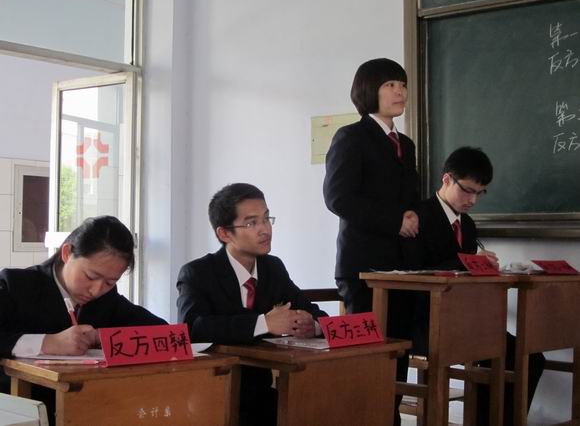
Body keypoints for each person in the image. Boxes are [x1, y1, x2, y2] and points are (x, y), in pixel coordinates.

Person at [402, 146, 545, 426]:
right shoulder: (418, 215)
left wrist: (485, 268)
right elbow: (413, 270)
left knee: (529, 358)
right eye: (467, 190)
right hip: (424, 318)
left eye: (480, 193)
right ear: (446, 179)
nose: (472, 200)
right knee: (499, 353)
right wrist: (466, 262)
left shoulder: (467, 226)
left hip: (462, 318)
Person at [177, 183, 327, 426]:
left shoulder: (273, 268)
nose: (264, 229)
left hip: (260, 394)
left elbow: (315, 312)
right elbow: (193, 328)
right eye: (251, 223)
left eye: (266, 219)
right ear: (224, 234)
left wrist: (313, 326)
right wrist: (263, 323)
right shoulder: (198, 272)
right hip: (210, 393)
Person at [323, 57, 420, 425]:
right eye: (389, 85)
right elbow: (338, 198)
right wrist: (395, 221)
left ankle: (390, 418)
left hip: (402, 268)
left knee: (397, 354)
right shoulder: (351, 137)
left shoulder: (405, 144)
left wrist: (413, 215)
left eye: (402, 84)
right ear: (368, 91)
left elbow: (408, 197)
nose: (400, 92)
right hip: (363, 268)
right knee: (368, 357)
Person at [0, 215, 167, 424]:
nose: (96, 290)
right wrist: (47, 342)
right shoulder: (16, 285)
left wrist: (100, 337)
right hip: (20, 412)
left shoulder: (107, 300)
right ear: (67, 253)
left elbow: (164, 332)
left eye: (110, 282)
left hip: (89, 412)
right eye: (90, 276)